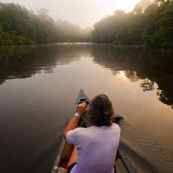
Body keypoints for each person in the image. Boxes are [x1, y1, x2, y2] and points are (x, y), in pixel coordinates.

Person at [64, 94, 121, 173]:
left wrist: (79, 113)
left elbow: (66, 133)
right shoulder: (117, 128)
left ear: (90, 113)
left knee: (76, 144)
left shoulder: (80, 134)